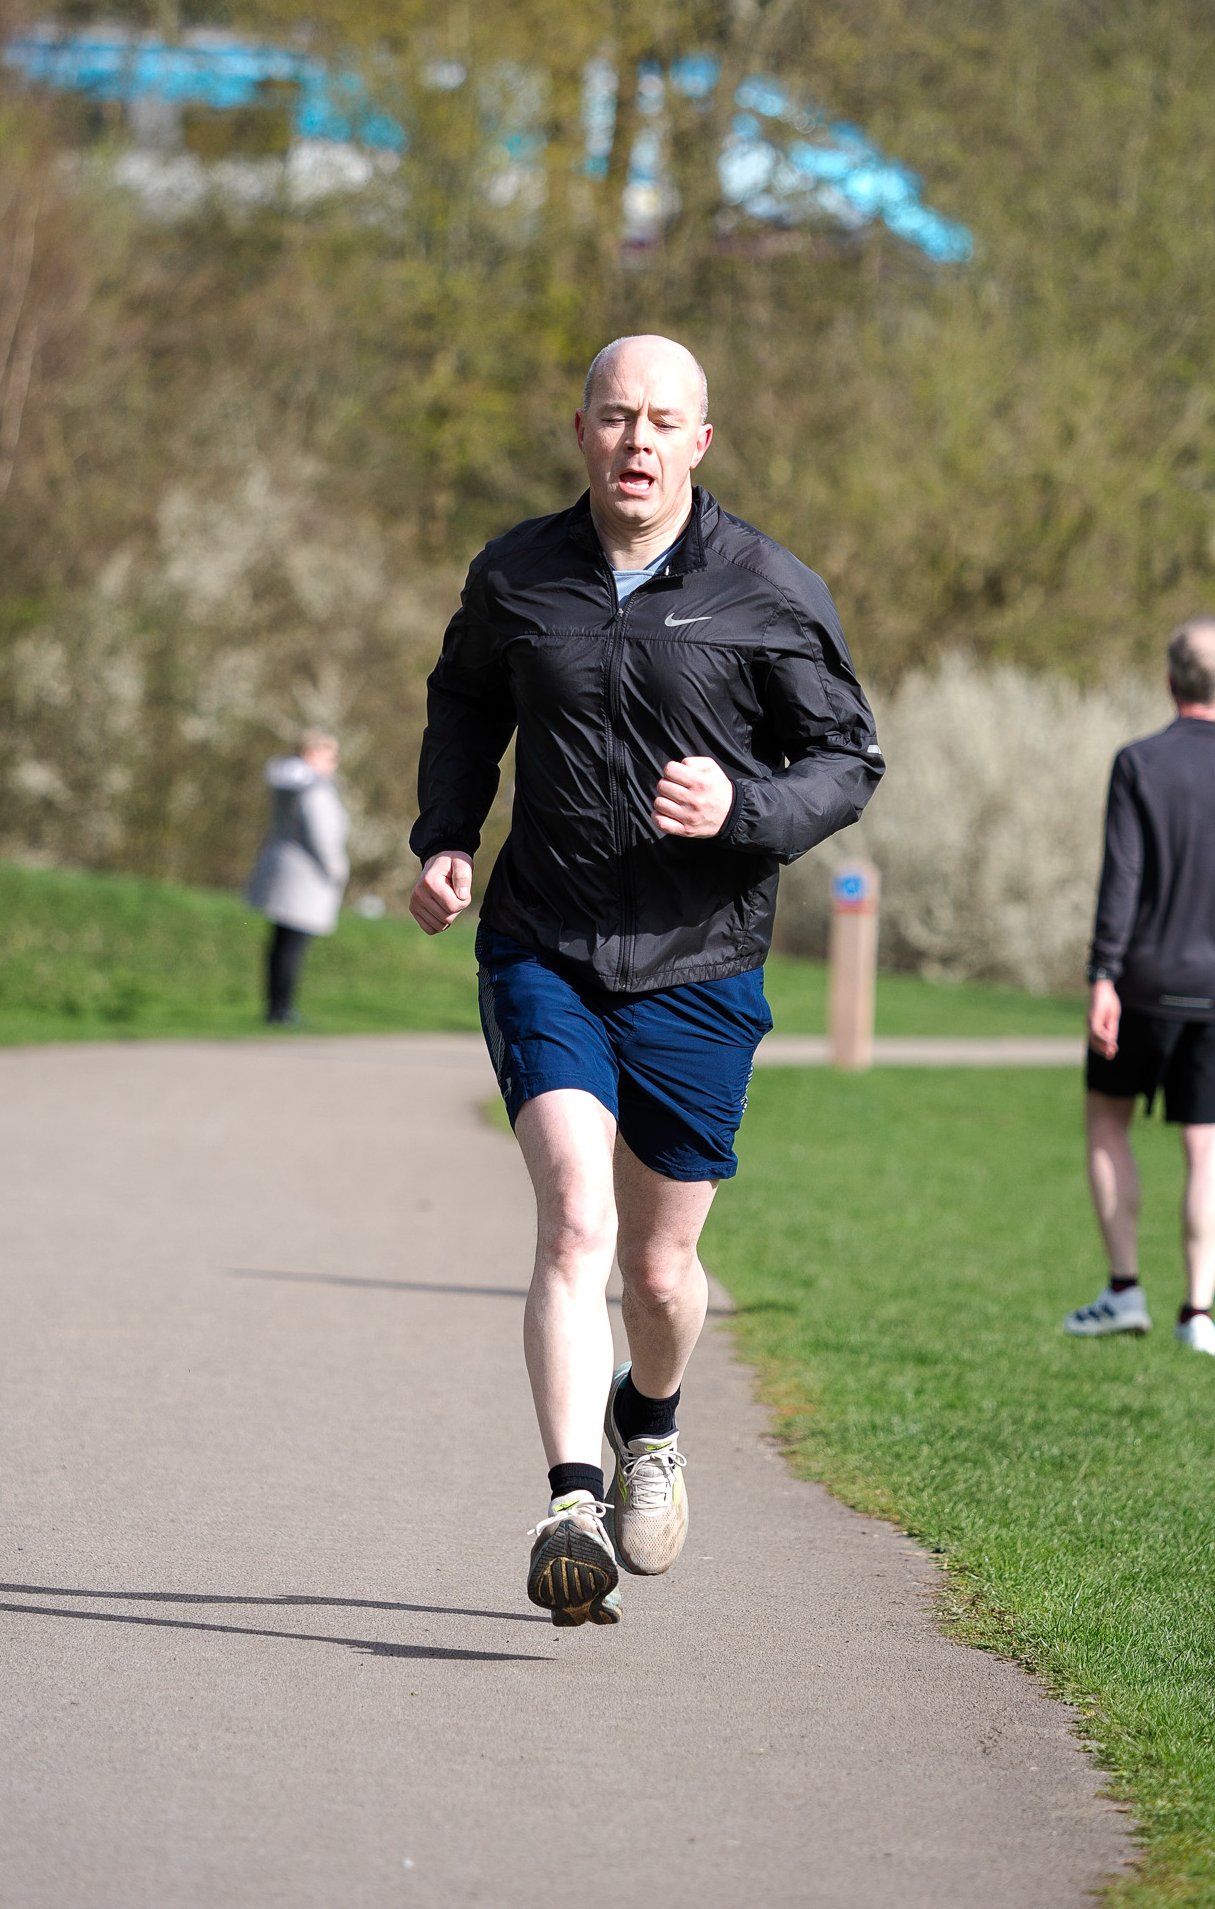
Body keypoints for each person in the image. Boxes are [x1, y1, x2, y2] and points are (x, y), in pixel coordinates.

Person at [407, 334, 882, 1625]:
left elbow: (848, 759)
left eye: (664, 421)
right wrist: (446, 836)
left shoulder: (767, 588)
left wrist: (745, 808)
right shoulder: (517, 574)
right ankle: (571, 1505)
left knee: (663, 1273)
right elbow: (464, 702)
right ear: (582, 431)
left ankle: (651, 1422)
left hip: (699, 963)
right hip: (545, 945)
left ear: (701, 442)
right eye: (617, 416)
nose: (638, 440)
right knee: (576, 1220)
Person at [1067, 618, 1215, 1357]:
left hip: (1142, 985)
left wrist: (1103, 975)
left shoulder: (1139, 764)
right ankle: (1198, 1313)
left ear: (1169, 681)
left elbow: (1122, 878)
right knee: (1211, 1146)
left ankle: (1124, 1291)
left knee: (1108, 1122)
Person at [243, 730, 349, 1026]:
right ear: (311, 753)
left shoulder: (286, 784)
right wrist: (337, 869)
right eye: (331, 755)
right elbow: (322, 835)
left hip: (281, 868)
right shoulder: (315, 790)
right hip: (307, 875)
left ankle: (276, 1007)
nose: (335, 762)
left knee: (280, 943)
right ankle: (283, 1010)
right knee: (293, 945)